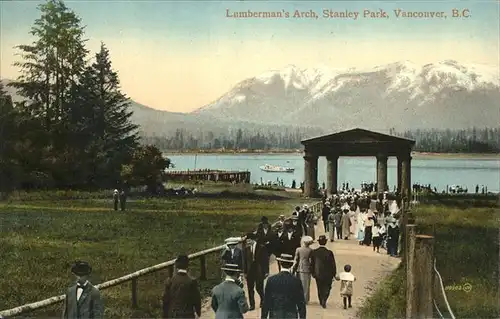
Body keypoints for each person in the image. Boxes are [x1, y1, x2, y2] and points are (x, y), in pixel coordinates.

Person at [261, 254, 306, 319]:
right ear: (291, 265)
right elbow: (301, 303)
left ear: (280, 263)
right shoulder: (296, 281)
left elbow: (266, 301)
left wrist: (263, 317)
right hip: (291, 314)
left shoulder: (271, 280)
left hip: (275, 313)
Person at [311, 235, 337, 308]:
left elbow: (312, 264)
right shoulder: (329, 253)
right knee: (327, 287)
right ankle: (324, 299)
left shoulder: (314, 252)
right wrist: (334, 274)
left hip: (318, 273)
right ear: (325, 242)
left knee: (319, 287)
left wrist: (313, 273)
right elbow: (333, 264)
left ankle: (321, 299)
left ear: (319, 243)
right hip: (328, 274)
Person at [244, 233, 266, 311]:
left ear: (253, 239)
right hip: (250, 271)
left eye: (249, 240)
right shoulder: (246, 249)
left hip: (258, 270)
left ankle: (263, 300)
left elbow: (265, 261)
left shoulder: (261, 247)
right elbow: (245, 262)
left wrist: (265, 271)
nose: (247, 242)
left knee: (259, 287)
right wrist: (245, 272)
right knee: (250, 288)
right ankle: (252, 305)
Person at [292, 236, 314, 304]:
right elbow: (311, 260)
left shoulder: (298, 249)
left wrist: (293, 267)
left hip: (299, 267)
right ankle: (305, 299)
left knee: (298, 284)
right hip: (307, 268)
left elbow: (296, 259)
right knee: (306, 285)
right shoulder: (310, 250)